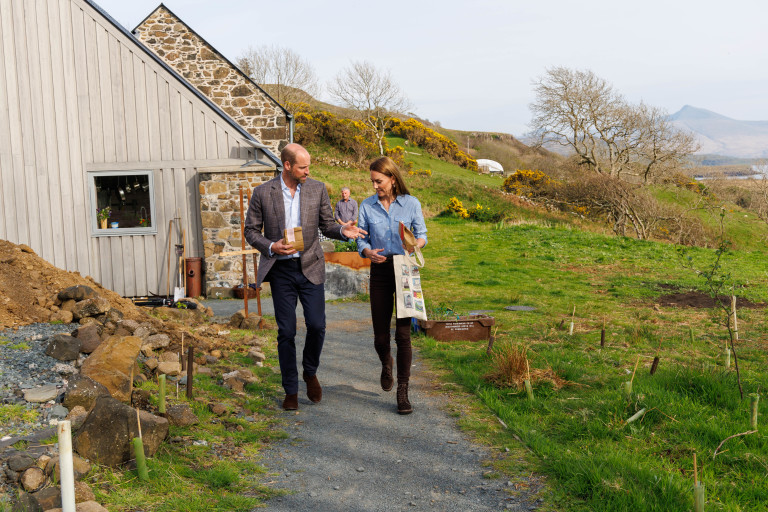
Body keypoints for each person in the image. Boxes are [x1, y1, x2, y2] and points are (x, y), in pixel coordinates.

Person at [245, 143, 366, 411]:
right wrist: (271, 246)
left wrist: (343, 232)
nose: (308, 171)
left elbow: (326, 224)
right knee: (286, 332)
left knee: (317, 325)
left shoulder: (317, 188)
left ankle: (309, 371)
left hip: (310, 266)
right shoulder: (263, 193)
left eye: (309, 166)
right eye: (303, 166)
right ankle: (290, 389)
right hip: (281, 272)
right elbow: (251, 231)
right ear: (287, 165)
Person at [357, 156, 427, 415]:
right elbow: (360, 240)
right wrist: (366, 251)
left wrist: (415, 244)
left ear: (392, 178)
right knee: (380, 336)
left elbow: (423, 236)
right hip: (380, 270)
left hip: (406, 269)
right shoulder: (366, 206)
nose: (375, 185)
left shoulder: (411, 204)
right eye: (373, 181)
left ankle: (403, 391)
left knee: (403, 335)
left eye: (379, 181)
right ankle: (386, 362)